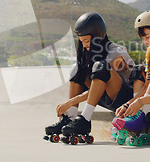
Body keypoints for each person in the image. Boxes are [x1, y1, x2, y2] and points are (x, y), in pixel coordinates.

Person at [45, 12, 135, 140]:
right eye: (82, 42)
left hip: (125, 100)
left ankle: (85, 119)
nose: (85, 45)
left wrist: (70, 102)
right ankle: (70, 119)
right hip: (106, 98)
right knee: (78, 70)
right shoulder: (90, 53)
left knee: (102, 67)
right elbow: (96, 87)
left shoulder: (116, 52)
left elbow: (101, 85)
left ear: (98, 38)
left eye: (87, 41)